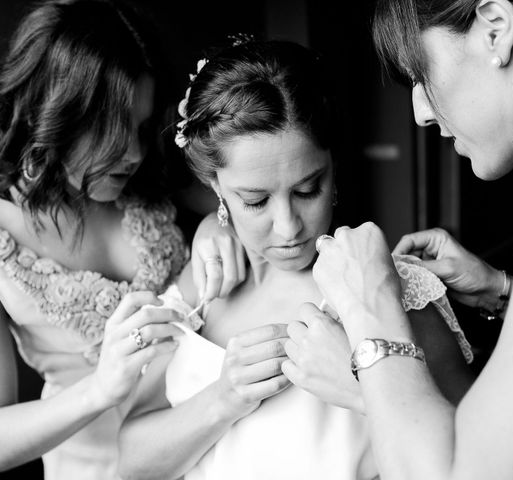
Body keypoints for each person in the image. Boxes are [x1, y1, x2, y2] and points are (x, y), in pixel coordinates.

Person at [308, 0, 513, 479]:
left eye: (420, 73)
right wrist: (503, 290)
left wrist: (369, 313)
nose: (420, 112)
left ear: (495, 30)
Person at [117, 39, 475, 480]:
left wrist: (366, 385)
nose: (288, 227)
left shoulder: (390, 293)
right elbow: (132, 462)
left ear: (333, 167)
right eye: (255, 201)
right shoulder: (204, 285)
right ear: (215, 187)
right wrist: (224, 398)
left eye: (308, 190)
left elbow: (477, 456)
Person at [0, 0, 224, 477]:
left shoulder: (153, 176)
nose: (135, 152)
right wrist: (100, 388)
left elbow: (246, 202)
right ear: (62, 113)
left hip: (203, 448)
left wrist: (212, 227)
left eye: (141, 127)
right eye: (114, 129)